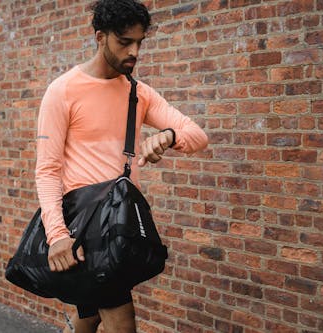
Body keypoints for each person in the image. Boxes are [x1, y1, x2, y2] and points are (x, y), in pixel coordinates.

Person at [35, 1, 208, 332]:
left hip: (121, 224)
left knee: (89, 315)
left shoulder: (137, 93)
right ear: (100, 37)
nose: (134, 51)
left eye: (139, 42)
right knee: (120, 320)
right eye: (124, 42)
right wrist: (57, 235)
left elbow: (197, 135)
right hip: (85, 227)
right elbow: (47, 170)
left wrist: (169, 136)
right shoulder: (63, 91)